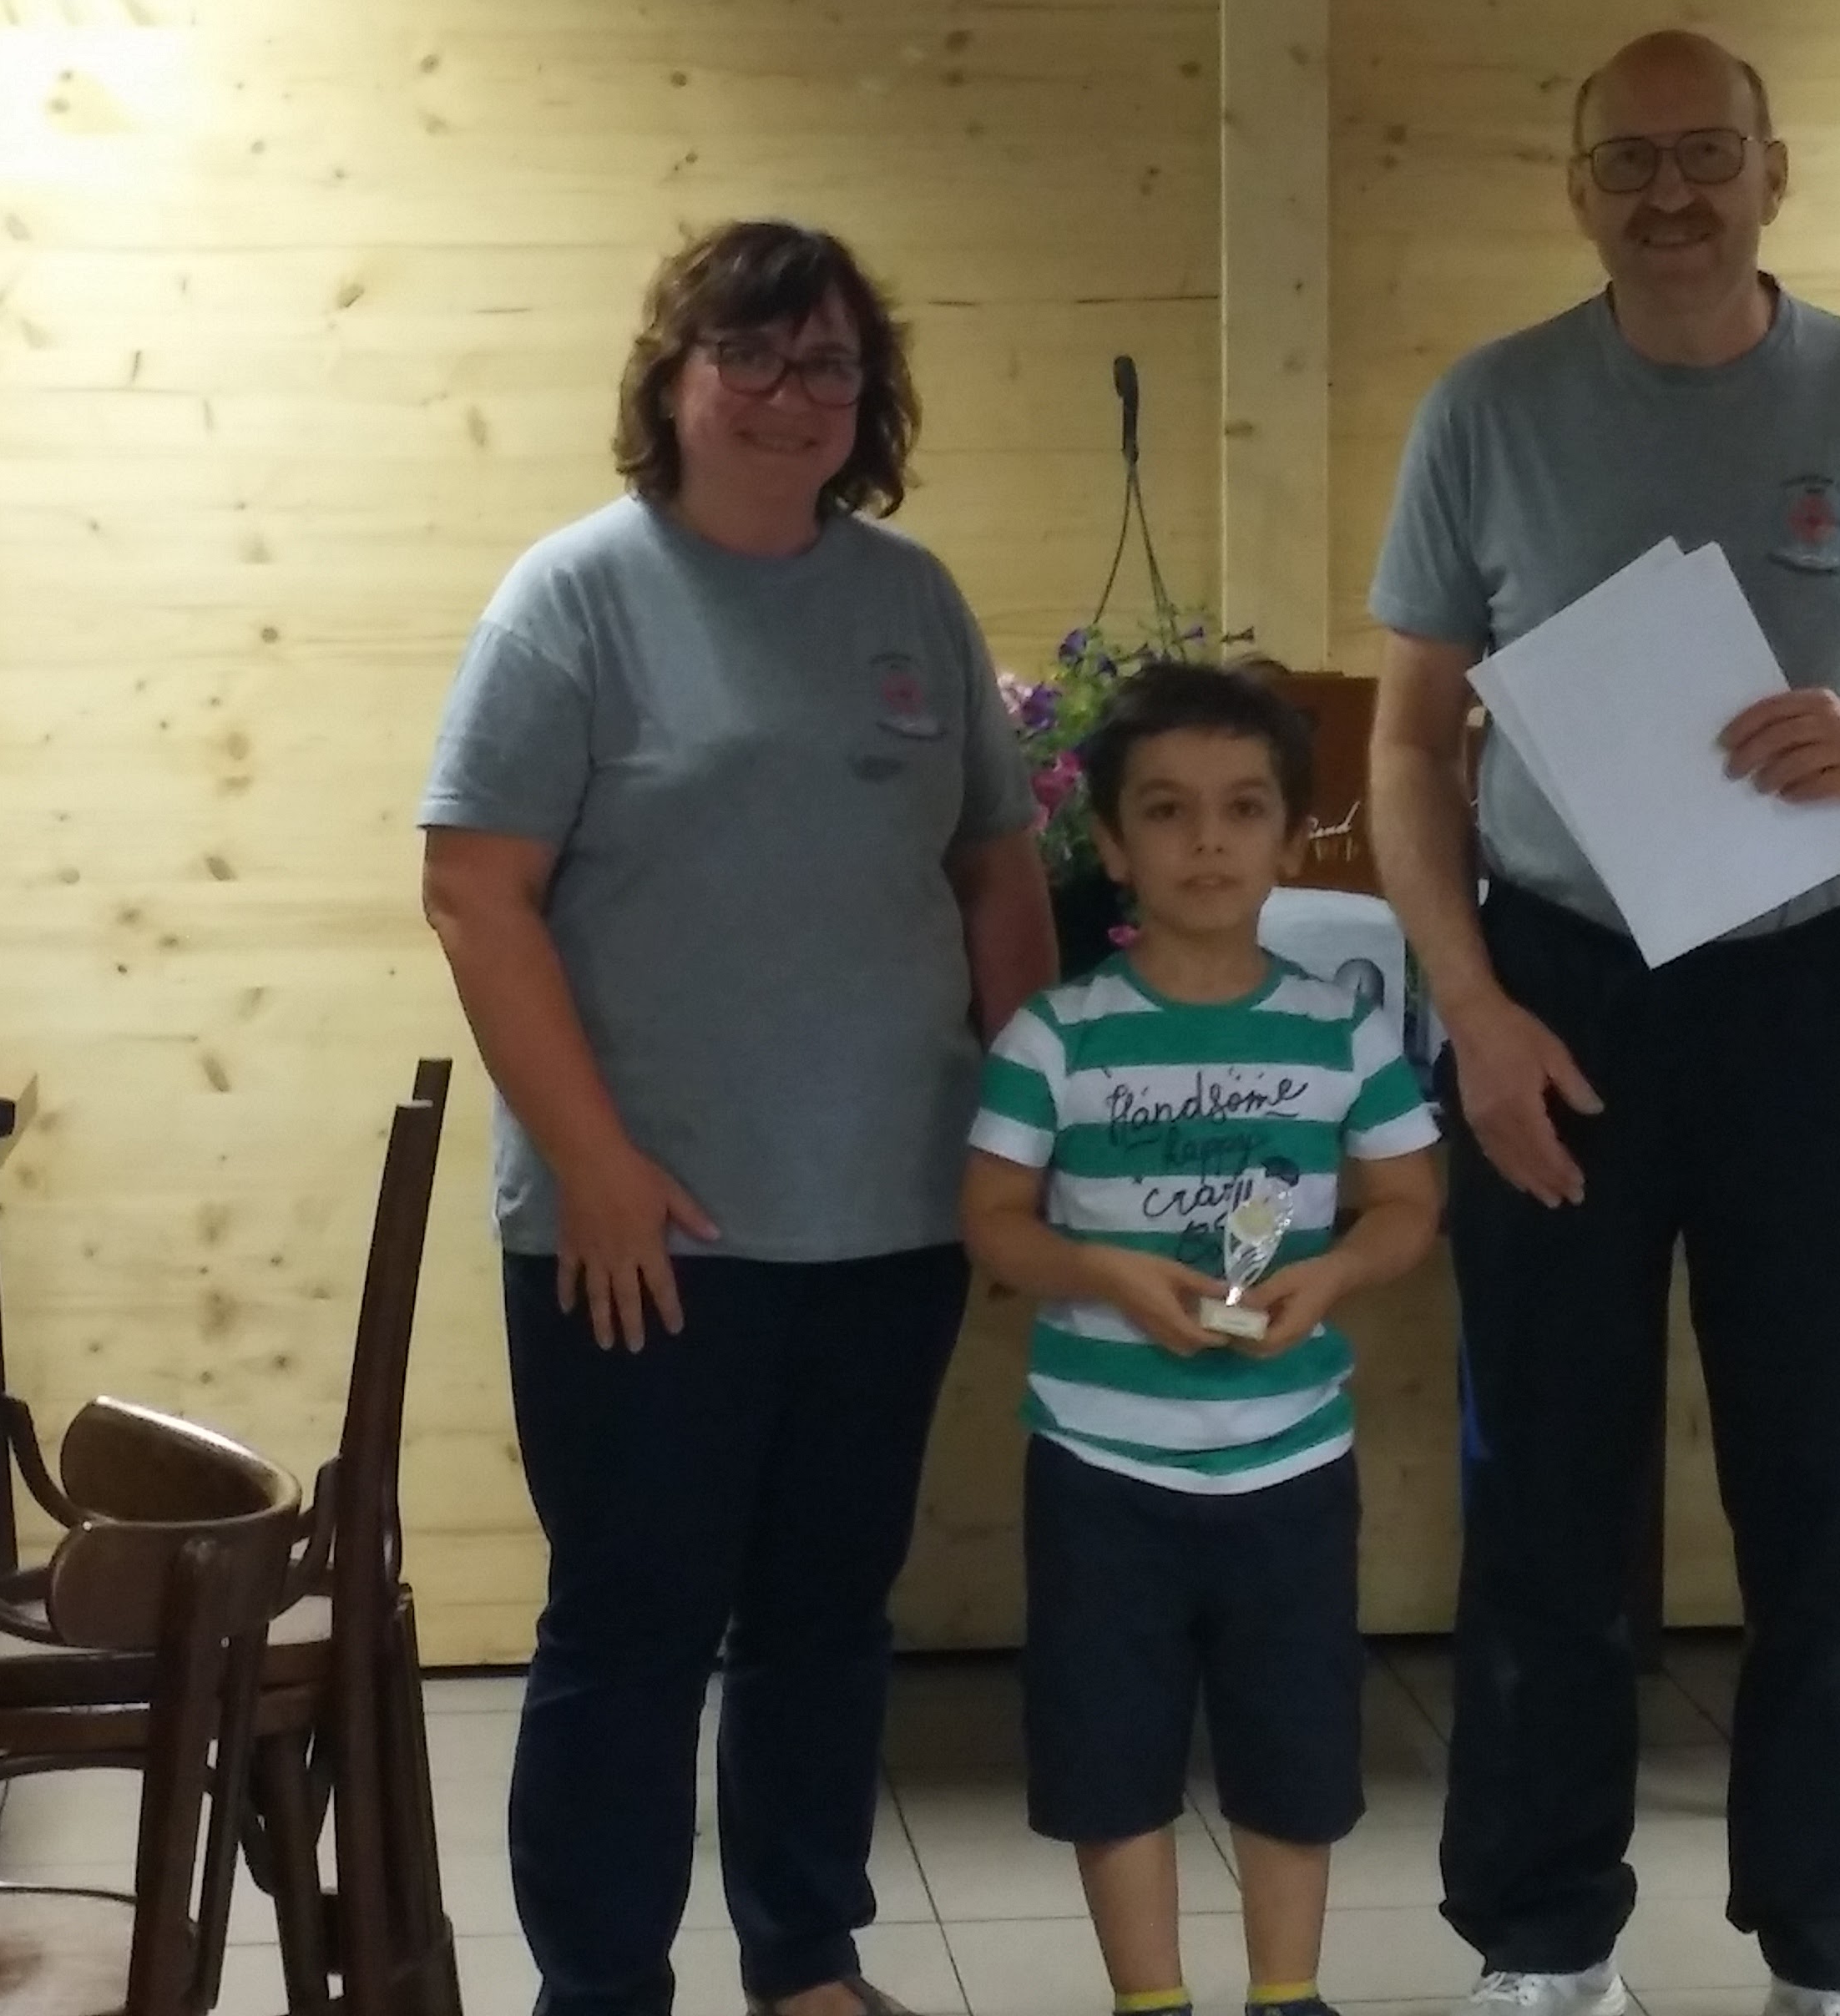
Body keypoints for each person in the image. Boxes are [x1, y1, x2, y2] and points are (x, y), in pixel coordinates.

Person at [1367, 31, 1840, 2016]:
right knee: (1544, 1487)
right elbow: (1407, 745)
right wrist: (1470, 1009)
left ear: (1772, 171)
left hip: (1812, 1002)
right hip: (1557, 999)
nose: (1671, 194)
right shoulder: (1490, 410)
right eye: (1630, 161)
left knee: (1831, 1492)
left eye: (1706, 154)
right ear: (1579, 189)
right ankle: (1540, 1940)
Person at [419, 219, 1058, 2016]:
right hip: (644, 1238)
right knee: (629, 1630)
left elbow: (996, 868)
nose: (792, 395)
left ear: (872, 397)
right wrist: (598, 1169)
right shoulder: (574, 598)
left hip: (890, 1221)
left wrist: (1025, 1135)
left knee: (827, 1621)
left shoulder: (911, 601)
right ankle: (602, 1985)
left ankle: (804, 1961)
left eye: (830, 363)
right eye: (753, 356)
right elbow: (475, 892)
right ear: (675, 379)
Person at [958, 661, 1443, 2016]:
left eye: (1244, 809)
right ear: (1113, 846)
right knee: (1108, 1754)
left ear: (1292, 838)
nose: (1209, 842)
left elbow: (1409, 1202)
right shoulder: (1054, 1038)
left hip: (1291, 1465)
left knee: (1297, 1748)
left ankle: (1288, 1992)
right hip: (1101, 1470)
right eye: (1167, 812)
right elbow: (993, 1221)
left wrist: (1333, 1272)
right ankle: (1150, 1999)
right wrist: (1101, 1272)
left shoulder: (1344, 1031)